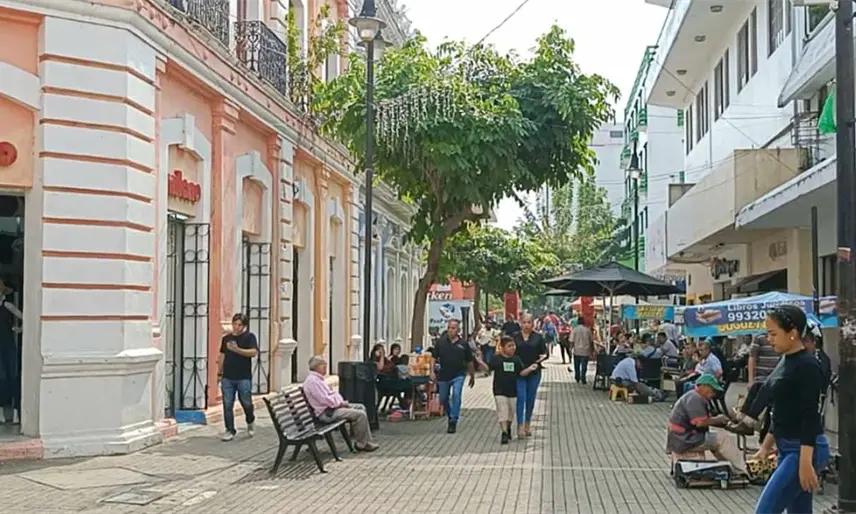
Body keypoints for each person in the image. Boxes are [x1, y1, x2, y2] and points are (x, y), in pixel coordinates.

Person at [754, 305, 829, 513]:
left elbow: (809, 416)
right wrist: (766, 446)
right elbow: (781, 409)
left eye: (773, 334)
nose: (769, 339)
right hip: (788, 448)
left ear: (793, 333)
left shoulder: (808, 366)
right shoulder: (785, 360)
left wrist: (805, 462)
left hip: (804, 449)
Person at [666, 374, 748, 477]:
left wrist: (717, 421)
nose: (713, 394)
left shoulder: (691, 396)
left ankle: (729, 467)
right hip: (686, 439)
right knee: (723, 439)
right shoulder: (695, 398)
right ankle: (742, 471)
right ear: (704, 386)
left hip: (681, 438)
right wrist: (718, 419)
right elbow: (700, 423)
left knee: (717, 440)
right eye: (712, 390)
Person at [302, 356, 378, 452]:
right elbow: (325, 400)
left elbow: (332, 395)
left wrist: (341, 403)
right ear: (316, 367)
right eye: (323, 365)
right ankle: (361, 444)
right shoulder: (313, 382)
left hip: (332, 408)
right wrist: (340, 404)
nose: (325, 367)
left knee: (360, 407)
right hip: (327, 413)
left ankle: (365, 441)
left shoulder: (318, 379)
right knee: (360, 415)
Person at [217, 313, 259, 441]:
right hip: (228, 377)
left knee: (246, 402)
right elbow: (222, 355)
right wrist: (219, 373)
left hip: (243, 377)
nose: (236, 327)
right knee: (227, 404)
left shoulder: (249, 337)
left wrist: (237, 350)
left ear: (244, 326)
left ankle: (250, 420)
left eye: (239, 325)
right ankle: (230, 429)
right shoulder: (226, 339)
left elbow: (254, 352)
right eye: (234, 324)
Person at [489, 336, 538, 444]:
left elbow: (521, 373)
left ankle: (508, 427)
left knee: (511, 413)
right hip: (499, 390)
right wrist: (479, 361)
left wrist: (530, 369)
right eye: (509, 346)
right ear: (502, 347)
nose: (512, 348)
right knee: (503, 411)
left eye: (513, 345)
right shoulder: (496, 359)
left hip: (513, 390)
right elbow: (488, 369)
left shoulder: (516, 359)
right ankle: (504, 433)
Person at [434, 319, 476, 434]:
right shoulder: (441, 342)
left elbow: (469, 361)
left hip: (459, 374)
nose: (450, 330)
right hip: (444, 375)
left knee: (456, 395)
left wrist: (472, 376)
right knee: (443, 399)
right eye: (449, 328)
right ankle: (450, 414)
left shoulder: (463, 344)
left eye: (453, 328)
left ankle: (453, 420)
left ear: (458, 330)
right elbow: (434, 357)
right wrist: (432, 371)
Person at [513, 314, 548, 437]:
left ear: (533, 324)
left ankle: (528, 422)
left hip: (534, 372)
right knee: (521, 398)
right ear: (520, 323)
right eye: (524, 322)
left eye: (529, 322)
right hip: (519, 372)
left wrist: (542, 358)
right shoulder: (515, 337)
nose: (526, 325)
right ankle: (520, 425)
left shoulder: (538, 337)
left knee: (530, 398)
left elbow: (544, 352)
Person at [569, 316, 594, 384]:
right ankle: (583, 377)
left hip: (577, 351)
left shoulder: (575, 330)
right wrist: (592, 351)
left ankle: (577, 377)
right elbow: (591, 341)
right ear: (583, 322)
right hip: (585, 351)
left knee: (576, 365)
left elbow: (571, 341)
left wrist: (570, 349)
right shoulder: (587, 330)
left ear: (577, 322)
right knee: (584, 366)